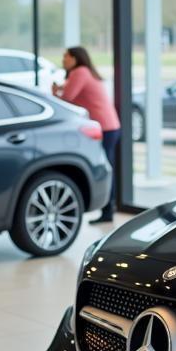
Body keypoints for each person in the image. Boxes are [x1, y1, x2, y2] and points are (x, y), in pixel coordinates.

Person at [53, 45, 119, 222]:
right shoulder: (84, 72)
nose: (63, 60)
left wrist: (55, 93)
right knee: (107, 166)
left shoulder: (80, 72)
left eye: (66, 56)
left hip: (105, 127)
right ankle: (108, 209)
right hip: (109, 126)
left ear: (75, 59)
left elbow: (67, 99)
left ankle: (108, 210)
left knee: (105, 168)